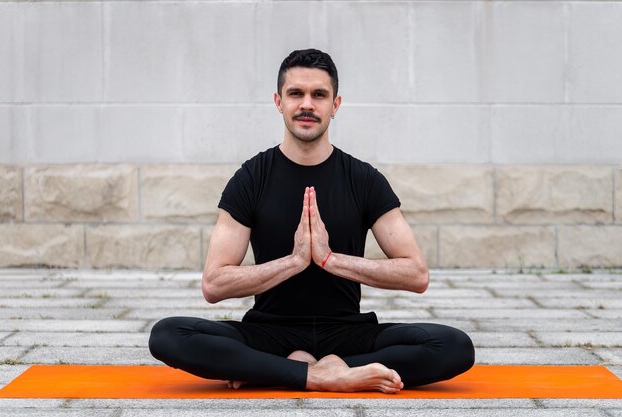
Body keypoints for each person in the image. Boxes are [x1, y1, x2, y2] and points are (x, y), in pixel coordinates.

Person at [149, 49, 474, 393]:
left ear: (335, 104)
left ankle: (294, 371)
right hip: (270, 332)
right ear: (279, 101)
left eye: (319, 95)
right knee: (168, 334)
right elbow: (214, 285)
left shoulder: (363, 179)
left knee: (454, 345)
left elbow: (417, 274)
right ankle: (326, 375)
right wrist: (293, 262)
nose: (307, 104)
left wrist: (330, 260)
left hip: (348, 334)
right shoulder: (251, 178)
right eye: (296, 94)